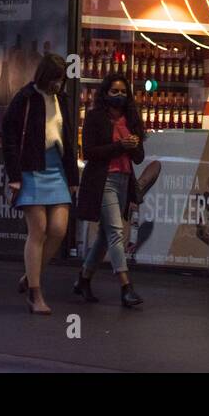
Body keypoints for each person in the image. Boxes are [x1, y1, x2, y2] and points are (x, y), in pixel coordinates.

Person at [2, 53, 77, 315]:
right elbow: (9, 136)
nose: (58, 84)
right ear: (44, 76)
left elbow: (68, 139)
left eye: (62, 79)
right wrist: (14, 175)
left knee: (58, 229)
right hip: (31, 169)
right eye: (55, 78)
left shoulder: (62, 99)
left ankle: (30, 275)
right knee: (39, 229)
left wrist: (73, 178)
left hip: (57, 168)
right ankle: (35, 293)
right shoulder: (25, 98)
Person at [74, 73, 145, 308]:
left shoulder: (131, 119)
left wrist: (133, 146)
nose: (119, 95)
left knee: (105, 236)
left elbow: (139, 158)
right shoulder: (95, 118)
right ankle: (126, 287)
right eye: (114, 91)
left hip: (124, 180)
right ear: (105, 93)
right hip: (103, 180)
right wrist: (119, 146)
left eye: (123, 92)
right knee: (116, 231)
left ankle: (83, 279)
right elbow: (90, 153)